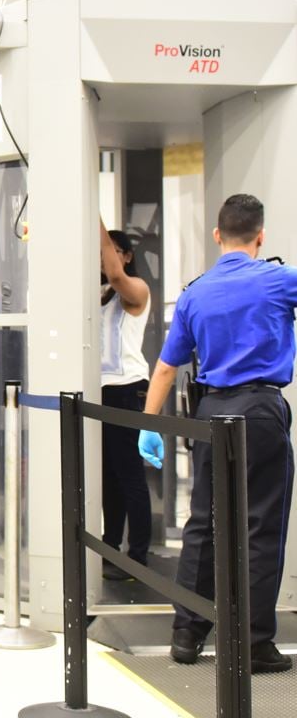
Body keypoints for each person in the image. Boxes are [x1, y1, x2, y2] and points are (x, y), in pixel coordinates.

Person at [140, 194, 295, 674]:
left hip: (210, 412)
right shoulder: (278, 278)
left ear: (217, 235)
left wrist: (151, 427)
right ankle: (252, 644)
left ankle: (186, 635)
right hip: (262, 411)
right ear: (260, 235)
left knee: (203, 524)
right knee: (260, 528)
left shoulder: (195, 292)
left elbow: (166, 367)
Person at [99, 220, 152, 581]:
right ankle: (110, 545)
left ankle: (137, 557)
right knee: (108, 477)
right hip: (101, 392)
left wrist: (94, 219)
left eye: (114, 252)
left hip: (127, 388)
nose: (106, 260)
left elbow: (117, 276)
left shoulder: (136, 290)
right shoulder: (100, 294)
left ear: (128, 256)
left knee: (129, 476)